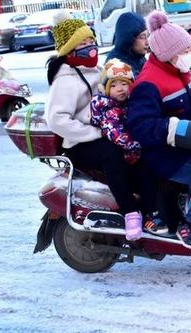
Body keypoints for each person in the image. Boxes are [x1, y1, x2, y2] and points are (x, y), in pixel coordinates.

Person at [126, 11, 191, 250]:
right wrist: (175, 127)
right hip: (165, 155)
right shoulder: (149, 83)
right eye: (184, 51)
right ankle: (190, 223)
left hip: (187, 144)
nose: (189, 55)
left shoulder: (178, 71)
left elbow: (189, 97)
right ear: (168, 54)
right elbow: (140, 126)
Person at [44, 11, 143, 241]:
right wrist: (95, 132)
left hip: (105, 130)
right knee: (113, 153)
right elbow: (57, 120)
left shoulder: (97, 71)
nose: (90, 47)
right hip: (80, 142)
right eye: (83, 43)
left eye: (91, 41)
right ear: (70, 48)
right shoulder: (65, 80)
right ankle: (130, 212)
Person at [91, 58, 166, 234]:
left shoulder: (129, 104)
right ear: (106, 88)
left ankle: (153, 211)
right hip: (124, 155)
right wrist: (136, 144)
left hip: (134, 153)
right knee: (144, 176)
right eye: (114, 85)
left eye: (124, 84)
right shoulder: (108, 108)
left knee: (150, 175)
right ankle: (145, 214)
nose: (120, 88)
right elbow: (115, 134)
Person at [105, 12, 149, 77]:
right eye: (142, 37)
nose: (147, 42)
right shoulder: (117, 66)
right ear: (129, 38)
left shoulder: (138, 57)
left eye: (147, 36)